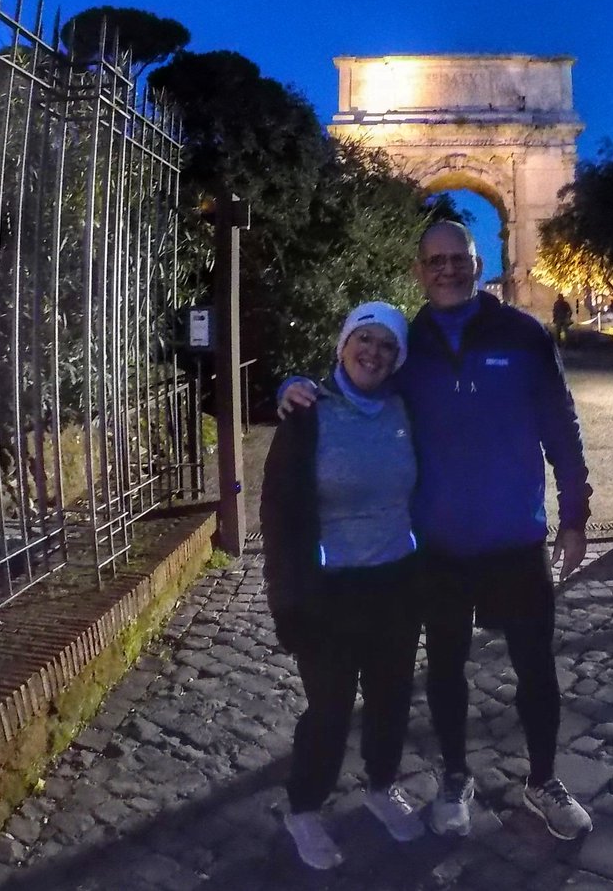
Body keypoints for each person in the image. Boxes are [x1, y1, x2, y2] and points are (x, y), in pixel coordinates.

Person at [280, 220, 594, 842]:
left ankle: (543, 780)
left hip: (516, 536)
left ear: (478, 263)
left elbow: (561, 425)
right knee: (447, 669)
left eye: (458, 258)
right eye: (435, 260)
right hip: (439, 546)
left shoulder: (524, 334)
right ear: (419, 270)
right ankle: (455, 777)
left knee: (537, 669)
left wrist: (576, 514)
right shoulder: (408, 344)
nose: (447, 269)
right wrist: (295, 385)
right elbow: (356, 380)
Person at [261, 302, 425, 870]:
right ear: (343, 345)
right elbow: (278, 515)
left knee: (390, 698)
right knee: (329, 707)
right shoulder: (308, 411)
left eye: (387, 345)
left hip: (397, 581)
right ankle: (304, 808)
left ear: (398, 358)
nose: (374, 353)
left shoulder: (406, 407)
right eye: (365, 339)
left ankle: (381, 786)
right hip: (329, 590)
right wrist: (286, 600)